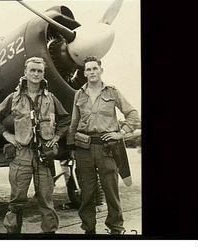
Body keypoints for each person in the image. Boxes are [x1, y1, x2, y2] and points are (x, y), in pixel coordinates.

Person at [0, 57, 71, 234]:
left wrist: (56, 136)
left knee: (47, 201)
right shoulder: (13, 98)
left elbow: (65, 119)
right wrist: (7, 135)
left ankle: (49, 235)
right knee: (17, 201)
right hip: (21, 155)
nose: (36, 74)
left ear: (43, 74)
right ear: (25, 72)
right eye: (32, 70)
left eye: (39, 71)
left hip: (45, 156)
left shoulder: (51, 98)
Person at [67, 56, 140, 234]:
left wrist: (120, 133)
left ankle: (116, 228)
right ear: (84, 73)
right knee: (87, 193)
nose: (91, 72)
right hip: (84, 147)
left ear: (101, 70)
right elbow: (74, 123)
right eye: (88, 70)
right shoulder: (79, 94)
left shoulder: (112, 92)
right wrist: (71, 148)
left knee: (111, 191)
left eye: (94, 68)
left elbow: (132, 114)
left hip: (107, 147)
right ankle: (89, 229)